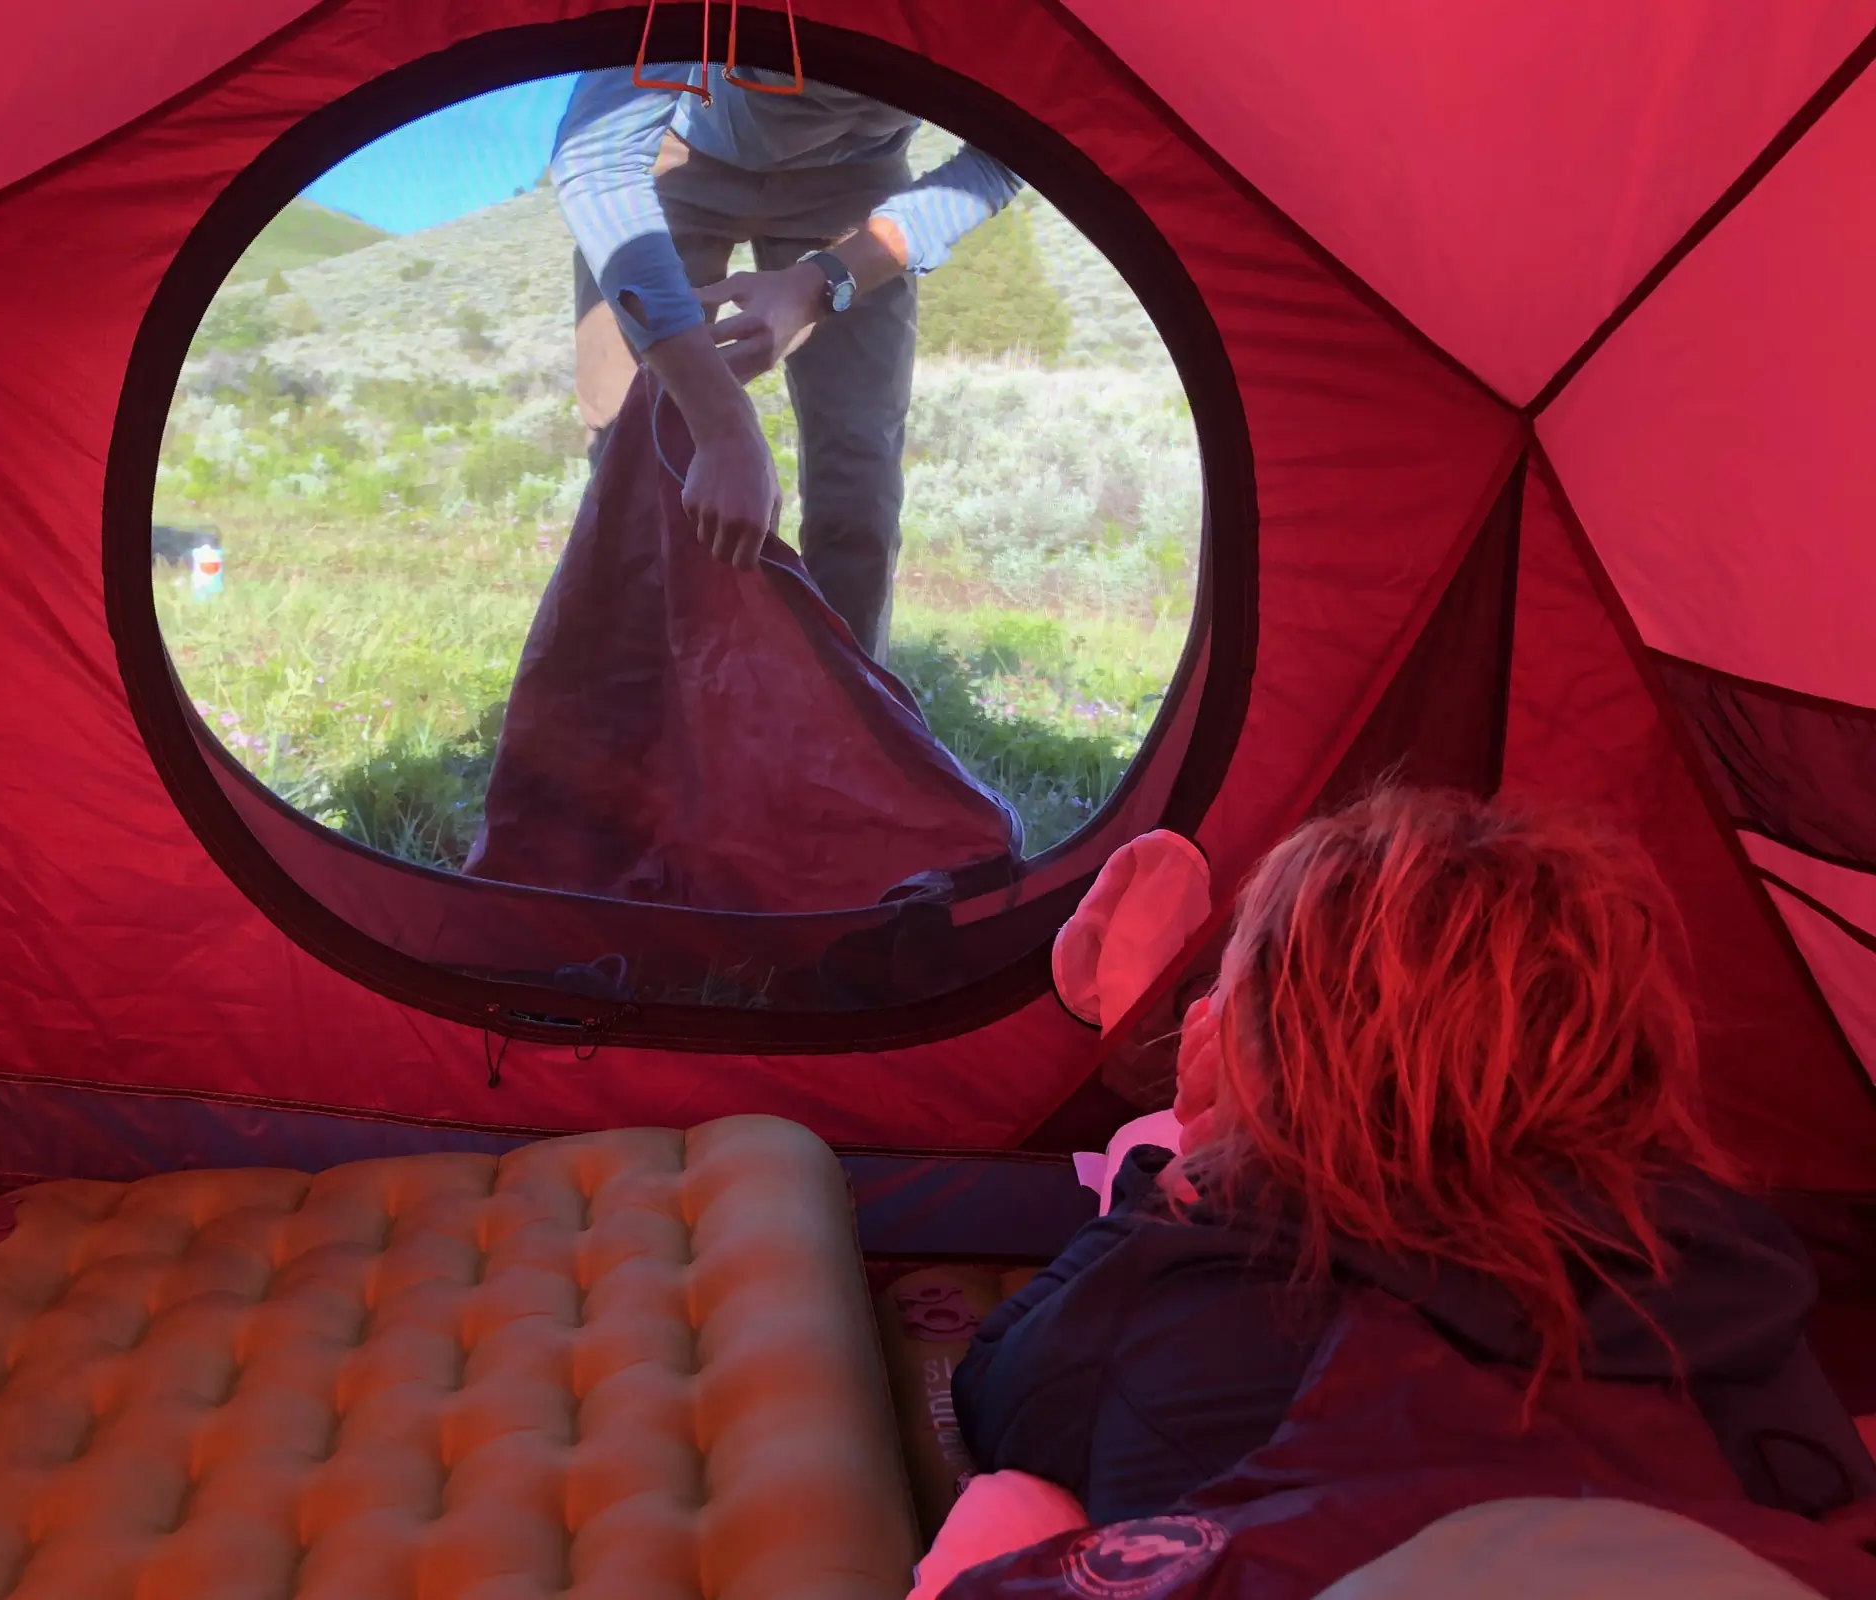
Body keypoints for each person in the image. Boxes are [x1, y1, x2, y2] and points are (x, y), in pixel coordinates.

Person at [950, 788, 1876, 1529]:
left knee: (1008, 1514)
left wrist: (1189, 1172)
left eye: (1227, 993)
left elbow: (998, 1382)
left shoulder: (1199, 1284)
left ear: (1275, 1055)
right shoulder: (1726, 1278)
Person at [550, 64, 1023, 659]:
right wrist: (721, 425)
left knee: (858, 484)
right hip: (680, 152)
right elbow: (597, 157)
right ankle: (636, 714)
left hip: (857, 179)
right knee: (626, 448)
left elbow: (1011, 154)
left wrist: (818, 286)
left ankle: (850, 726)